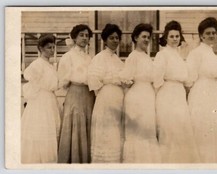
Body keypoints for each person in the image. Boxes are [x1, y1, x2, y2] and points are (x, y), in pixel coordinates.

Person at [153, 20, 199, 163]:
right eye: (171, 36)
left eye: (177, 36)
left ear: (180, 38)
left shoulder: (179, 56)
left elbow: (186, 77)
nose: (174, 39)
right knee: (169, 129)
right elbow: (156, 78)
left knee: (181, 129)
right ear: (166, 37)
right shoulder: (162, 55)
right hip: (167, 94)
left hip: (179, 94)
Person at [186, 17, 217, 163]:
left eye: (213, 33)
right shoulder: (196, 53)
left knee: (213, 127)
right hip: (200, 93)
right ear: (201, 36)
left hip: (213, 93)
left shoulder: (212, 53)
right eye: (208, 33)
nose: (211, 36)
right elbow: (190, 77)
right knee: (202, 126)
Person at [120, 23, 161, 163]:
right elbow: (125, 79)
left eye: (148, 37)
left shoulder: (146, 56)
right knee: (138, 132)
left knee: (148, 130)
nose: (146, 40)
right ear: (136, 38)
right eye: (143, 36)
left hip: (148, 97)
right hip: (137, 98)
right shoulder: (133, 56)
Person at [57, 24, 95, 163]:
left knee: (87, 124)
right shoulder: (68, 56)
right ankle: (72, 160)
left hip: (89, 95)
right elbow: (63, 80)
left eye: (87, 36)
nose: (84, 38)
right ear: (74, 37)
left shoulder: (89, 58)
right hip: (75, 92)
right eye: (81, 35)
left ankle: (85, 160)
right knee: (75, 124)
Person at [21, 34, 61, 163]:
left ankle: (48, 160)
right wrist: (40, 88)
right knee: (40, 129)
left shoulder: (49, 65)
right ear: (40, 48)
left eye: (53, 47)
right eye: (49, 47)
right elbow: (29, 75)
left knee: (49, 129)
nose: (52, 50)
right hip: (41, 101)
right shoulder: (37, 64)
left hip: (50, 100)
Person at [88, 24, 124, 163]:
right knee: (106, 130)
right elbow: (93, 80)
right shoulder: (100, 57)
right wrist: (106, 89)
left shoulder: (117, 60)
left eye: (117, 38)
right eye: (111, 38)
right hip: (106, 97)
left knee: (115, 130)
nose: (115, 40)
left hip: (118, 99)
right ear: (104, 40)